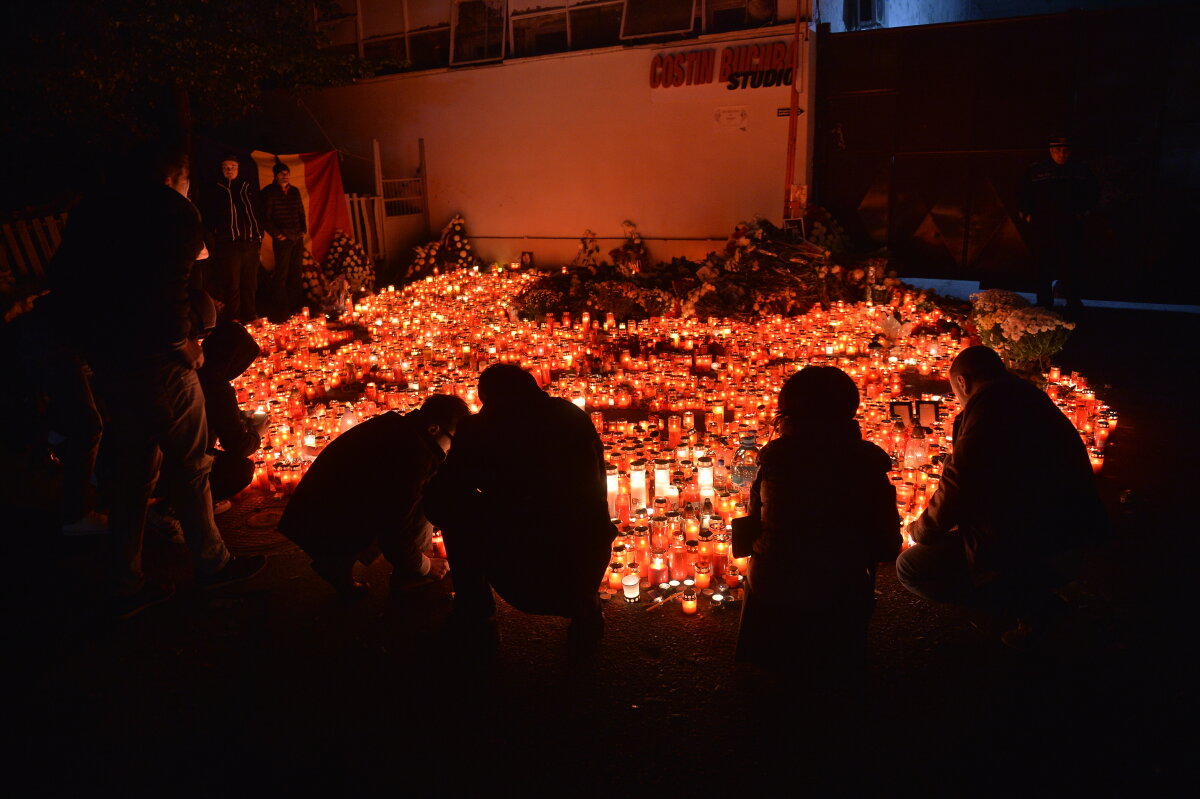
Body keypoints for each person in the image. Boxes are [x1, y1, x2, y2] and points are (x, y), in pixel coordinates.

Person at [49, 144, 265, 619]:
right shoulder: (169, 211)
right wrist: (180, 343)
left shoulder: (94, 209)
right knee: (191, 466)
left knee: (131, 472)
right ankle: (212, 565)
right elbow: (170, 288)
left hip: (111, 360)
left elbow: (64, 279)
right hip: (158, 362)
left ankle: (124, 581)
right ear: (175, 176)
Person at [896, 346, 1108, 649]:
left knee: (911, 568)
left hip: (1035, 532)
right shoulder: (1024, 396)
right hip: (1071, 519)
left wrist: (919, 530)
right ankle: (1029, 593)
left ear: (962, 383)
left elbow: (959, 484)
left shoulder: (988, 411)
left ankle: (1036, 606)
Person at [423, 364, 616, 652]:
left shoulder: (478, 430)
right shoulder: (572, 416)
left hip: (521, 564)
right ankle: (586, 613)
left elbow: (442, 497)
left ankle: (477, 617)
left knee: (457, 515)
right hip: (588, 554)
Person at [735, 366, 901, 674]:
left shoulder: (774, 460)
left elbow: (757, 524)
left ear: (787, 415)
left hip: (775, 588)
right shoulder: (868, 462)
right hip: (843, 588)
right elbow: (888, 544)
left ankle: (758, 653)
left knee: (763, 561)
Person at [277, 393, 470, 599]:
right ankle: (410, 577)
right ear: (433, 429)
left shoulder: (397, 425)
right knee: (427, 500)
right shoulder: (413, 457)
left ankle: (336, 565)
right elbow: (394, 529)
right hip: (324, 523)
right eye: (453, 441)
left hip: (308, 514)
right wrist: (424, 566)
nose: (452, 450)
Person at [1019, 135, 1099, 311]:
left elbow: (1092, 194)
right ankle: (1044, 303)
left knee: (1071, 265)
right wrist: (1027, 215)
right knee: (1042, 265)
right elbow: (1025, 193)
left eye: (1065, 150)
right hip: (1043, 226)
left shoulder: (1080, 171)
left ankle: (1073, 302)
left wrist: (1084, 213)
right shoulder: (1037, 171)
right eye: (1057, 149)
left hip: (1070, 226)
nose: (1061, 154)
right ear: (1051, 151)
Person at [196, 319, 264, 506]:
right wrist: (258, 433)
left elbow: (213, 415)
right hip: (183, 463)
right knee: (242, 469)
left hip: (154, 458)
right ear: (233, 358)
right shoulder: (217, 387)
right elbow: (237, 447)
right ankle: (184, 504)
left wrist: (237, 417)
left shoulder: (194, 371)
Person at [200, 154, 263, 322]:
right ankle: (233, 319)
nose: (230, 170)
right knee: (232, 284)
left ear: (238, 169)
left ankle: (250, 315)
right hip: (229, 245)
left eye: (233, 167)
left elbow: (255, 213)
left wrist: (258, 238)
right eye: (226, 168)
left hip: (250, 243)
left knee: (250, 283)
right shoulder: (216, 189)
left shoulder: (245, 187)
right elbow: (209, 217)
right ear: (221, 170)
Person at [260, 161, 307, 322]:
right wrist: (277, 235)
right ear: (275, 175)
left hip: (296, 238)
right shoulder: (269, 192)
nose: (285, 176)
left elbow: (301, 211)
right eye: (281, 173)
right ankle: (282, 310)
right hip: (282, 240)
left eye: (287, 173)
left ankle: (296, 308)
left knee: (295, 273)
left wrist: (303, 230)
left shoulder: (294, 191)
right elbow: (265, 217)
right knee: (281, 275)